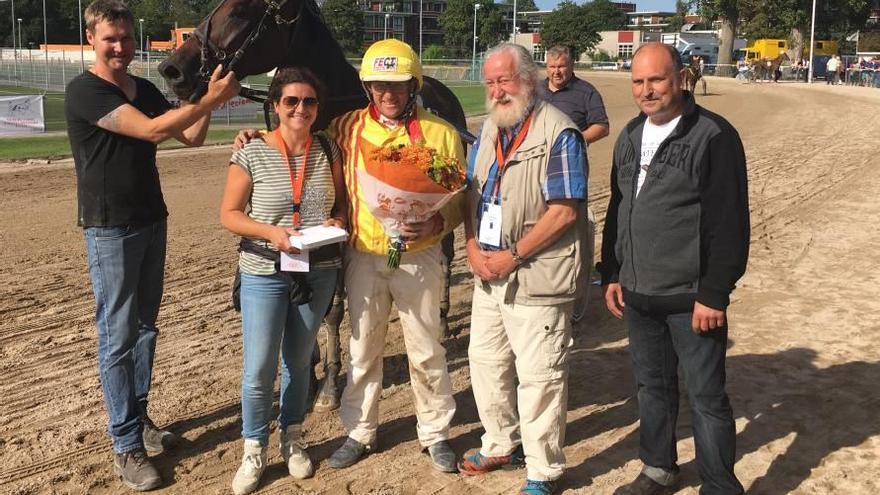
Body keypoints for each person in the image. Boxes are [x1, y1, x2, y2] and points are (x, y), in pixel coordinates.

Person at [65, 0, 238, 491]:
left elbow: (192, 137)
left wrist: (208, 96)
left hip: (150, 220)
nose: (119, 46)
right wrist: (205, 102)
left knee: (143, 330)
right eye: (109, 38)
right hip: (109, 228)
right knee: (117, 336)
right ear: (91, 40)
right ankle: (124, 443)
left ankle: (140, 420)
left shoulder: (141, 88)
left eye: (124, 37)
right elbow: (150, 130)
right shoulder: (85, 91)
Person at [597, 43, 749, 495]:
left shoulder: (714, 135)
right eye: (639, 82)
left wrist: (714, 293)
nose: (647, 91)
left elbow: (730, 220)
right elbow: (618, 209)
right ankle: (659, 467)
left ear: (681, 78)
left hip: (691, 298)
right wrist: (611, 272)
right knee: (652, 387)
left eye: (656, 80)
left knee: (706, 397)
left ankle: (720, 485)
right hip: (639, 293)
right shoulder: (629, 135)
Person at [324, 39, 465, 473]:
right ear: (368, 87)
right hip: (364, 256)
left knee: (425, 349)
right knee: (363, 348)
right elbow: (303, 152)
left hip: (418, 258)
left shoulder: (439, 133)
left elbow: (459, 198)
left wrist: (438, 225)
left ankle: (435, 432)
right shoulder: (345, 129)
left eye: (398, 85)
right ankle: (360, 430)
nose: (388, 93)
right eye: (379, 85)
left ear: (413, 85)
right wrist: (252, 137)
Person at [459, 43, 588, 495]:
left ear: (529, 82)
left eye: (505, 80)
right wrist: (473, 247)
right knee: (486, 361)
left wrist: (512, 256)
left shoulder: (560, 132)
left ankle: (544, 469)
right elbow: (472, 197)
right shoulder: (490, 130)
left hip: (537, 275)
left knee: (540, 376)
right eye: (490, 82)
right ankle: (499, 443)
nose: (496, 90)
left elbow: (564, 211)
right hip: (488, 273)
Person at [220, 67, 347, 495]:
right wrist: (272, 233)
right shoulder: (253, 151)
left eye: (308, 101)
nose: (300, 108)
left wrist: (337, 220)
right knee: (258, 368)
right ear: (275, 106)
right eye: (290, 101)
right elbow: (230, 215)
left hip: (318, 269)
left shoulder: (328, 147)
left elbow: (342, 203)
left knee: (298, 362)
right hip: (264, 270)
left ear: (318, 107)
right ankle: (253, 445)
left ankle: (292, 435)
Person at [537, 44, 608, 324]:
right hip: (537, 170)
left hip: (569, 170)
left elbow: (602, 126)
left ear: (571, 66)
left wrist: (573, 139)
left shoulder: (585, 92)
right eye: (552, 67)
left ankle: (574, 297)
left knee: (571, 230)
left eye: (562, 67)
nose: (556, 72)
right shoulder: (536, 91)